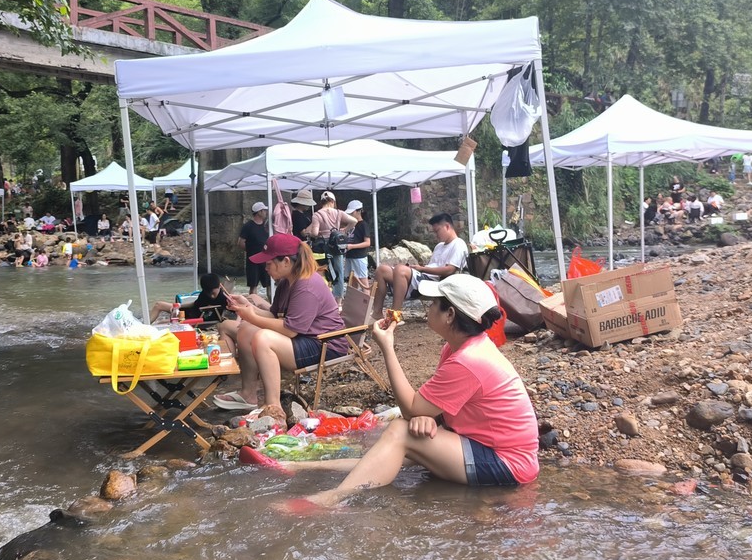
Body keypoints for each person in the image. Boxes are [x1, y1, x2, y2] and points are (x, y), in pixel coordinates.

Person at [277, 274, 539, 511]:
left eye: (434, 302)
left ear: (449, 315)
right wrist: (429, 417)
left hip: (508, 465)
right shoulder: (459, 348)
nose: (428, 306)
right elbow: (430, 408)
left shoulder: (468, 360)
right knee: (395, 447)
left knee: (401, 432)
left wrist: (387, 348)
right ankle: (300, 467)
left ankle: (332, 499)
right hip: (486, 447)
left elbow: (411, 409)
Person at [213, 233, 347, 412]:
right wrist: (246, 307)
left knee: (263, 338)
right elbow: (273, 315)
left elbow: (290, 330)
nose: (265, 267)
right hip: (305, 338)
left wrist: (251, 316)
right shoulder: (286, 282)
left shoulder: (307, 285)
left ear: (286, 261)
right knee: (246, 330)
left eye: (268, 263)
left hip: (324, 345)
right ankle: (248, 395)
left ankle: (273, 408)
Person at [370, 212, 468, 321]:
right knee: (382, 270)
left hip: (434, 282)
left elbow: (450, 270)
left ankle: (395, 316)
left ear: (447, 226)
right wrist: (419, 268)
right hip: (424, 277)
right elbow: (433, 266)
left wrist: (422, 268)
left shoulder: (458, 244)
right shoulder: (439, 246)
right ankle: (377, 313)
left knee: (400, 270)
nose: (436, 235)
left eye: (437, 231)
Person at [305, 190, 358, 300]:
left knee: (322, 270)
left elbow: (314, 233)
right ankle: (337, 300)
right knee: (339, 270)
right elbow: (354, 221)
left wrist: (310, 233)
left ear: (321, 202)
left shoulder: (317, 214)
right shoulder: (338, 212)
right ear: (333, 201)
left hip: (323, 246)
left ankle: (322, 297)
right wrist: (344, 230)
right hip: (336, 245)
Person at [150, 272, 229, 324]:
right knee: (158, 305)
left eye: (213, 293)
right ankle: (145, 325)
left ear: (219, 286)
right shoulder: (205, 293)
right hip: (189, 312)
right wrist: (179, 305)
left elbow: (237, 311)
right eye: (209, 293)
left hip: (196, 318)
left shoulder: (224, 298)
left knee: (161, 323)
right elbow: (195, 304)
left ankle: (146, 329)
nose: (211, 296)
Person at [239, 201, 271, 295]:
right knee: (253, 286)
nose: (266, 212)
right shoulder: (248, 226)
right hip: (253, 260)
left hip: (265, 259)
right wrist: (251, 250)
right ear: (259, 212)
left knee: (269, 285)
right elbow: (240, 242)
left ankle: (272, 305)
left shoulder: (267, 226)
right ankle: (253, 307)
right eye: (264, 210)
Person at [343, 199, 371, 289]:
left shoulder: (363, 225)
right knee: (352, 283)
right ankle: (354, 302)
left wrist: (352, 246)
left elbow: (367, 243)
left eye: (352, 212)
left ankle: (367, 302)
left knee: (363, 282)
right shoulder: (350, 224)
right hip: (349, 255)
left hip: (359, 257)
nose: (350, 214)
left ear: (357, 211)